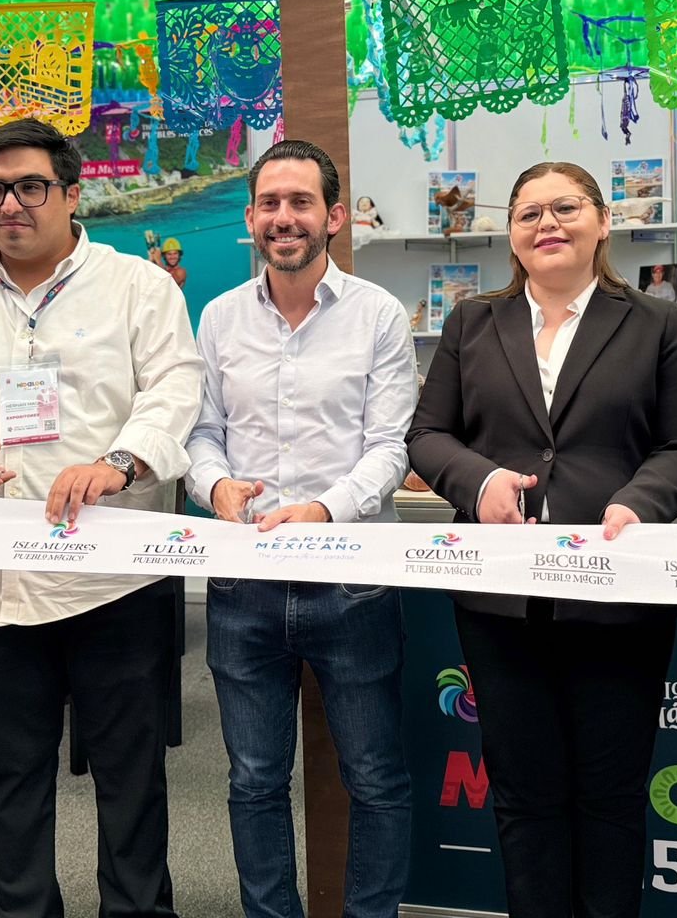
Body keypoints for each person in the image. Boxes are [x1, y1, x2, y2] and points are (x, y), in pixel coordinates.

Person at [0, 118, 203, 918]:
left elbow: (175, 390)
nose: (10, 204)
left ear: (71, 193)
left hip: (112, 579)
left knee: (130, 777)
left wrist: (119, 461)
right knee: (11, 779)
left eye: (30, 187)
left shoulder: (137, 286)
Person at [407, 161, 677, 918]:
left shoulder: (655, 323)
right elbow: (428, 435)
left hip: (618, 598)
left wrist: (637, 503)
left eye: (565, 208)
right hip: (500, 601)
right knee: (522, 796)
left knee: (610, 799)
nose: (547, 224)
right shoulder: (471, 322)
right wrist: (479, 482)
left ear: (603, 222)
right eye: (528, 213)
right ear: (510, 234)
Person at [185, 140, 416, 918]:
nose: (285, 218)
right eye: (271, 204)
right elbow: (200, 433)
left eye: (302, 202)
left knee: (376, 777)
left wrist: (323, 509)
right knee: (252, 779)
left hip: (353, 581)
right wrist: (214, 485)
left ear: (334, 216)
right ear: (250, 219)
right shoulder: (218, 318)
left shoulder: (378, 315)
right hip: (244, 585)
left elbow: (391, 446)